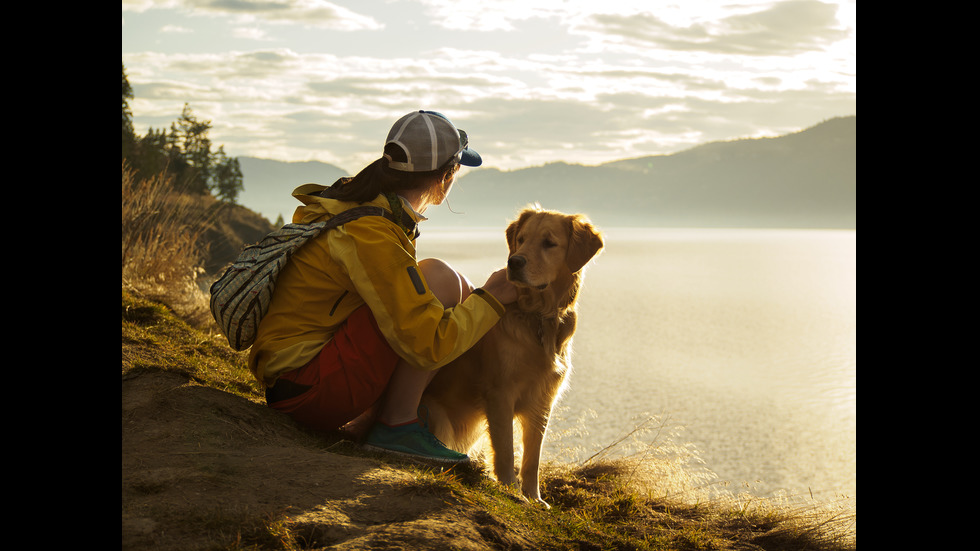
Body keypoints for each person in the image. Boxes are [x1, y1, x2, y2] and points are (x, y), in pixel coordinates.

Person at [247, 110, 517, 463]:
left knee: (450, 284)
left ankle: (385, 418)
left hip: (295, 381)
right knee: (442, 280)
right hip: (310, 389)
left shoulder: (364, 208)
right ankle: (396, 425)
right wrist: (491, 299)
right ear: (446, 176)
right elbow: (425, 344)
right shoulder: (372, 232)